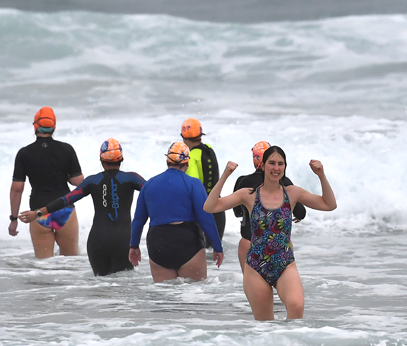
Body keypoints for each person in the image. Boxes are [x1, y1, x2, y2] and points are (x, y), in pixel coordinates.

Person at [204, 146, 336, 320]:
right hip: (256, 267)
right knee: (265, 326)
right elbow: (210, 206)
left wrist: (321, 175)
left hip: (285, 263)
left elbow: (329, 204)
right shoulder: (249, 195)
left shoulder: (292, 193)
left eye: (280, 164)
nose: (276, 168)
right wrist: (225, 175)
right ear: (263, 165)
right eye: (272, 163)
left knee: (296, 307)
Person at [19, 138, 145, 276]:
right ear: (122, 159)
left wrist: (37, 213)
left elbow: (65, 200)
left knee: (100, 289)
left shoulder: (92, 181)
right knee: (124, 287)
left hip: (98, 241)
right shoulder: (133, 178)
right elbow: (154, 191)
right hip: (124, 240)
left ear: (101, 160)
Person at [129, 142, 223, 282]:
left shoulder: (149, 184)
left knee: (165, 297)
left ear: (167, 161)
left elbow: (138, 220)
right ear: (187, 162)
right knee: (194, 296)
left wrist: (134, 246)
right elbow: (205, 218)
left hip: (158, 243)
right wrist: (217, 247)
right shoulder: (193, 183)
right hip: (187, 241)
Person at [9, 107, 84, 258]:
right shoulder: (67, 149)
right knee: (70, 263)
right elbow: (78, 181)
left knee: (44, 266)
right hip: (65, 210)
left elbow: (17, 188)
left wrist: (14, 218)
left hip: (38, 212)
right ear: (54, 127)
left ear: (35, 126)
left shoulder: (24, 153)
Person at [233, 141, 306, 273]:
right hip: (280, 246)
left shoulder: (242, 182)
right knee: (283, 289)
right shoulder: (285, 182)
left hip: (249, 242)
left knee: (252, 290)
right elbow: (300, 212)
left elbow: (237, 212)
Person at [180, 118, 225, 248]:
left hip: (204, 211)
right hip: (218, 208)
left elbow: (193, 184)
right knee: (215, 256)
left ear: (184, 138)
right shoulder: (209, 149)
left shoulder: (192, 156)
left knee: (202, 255)